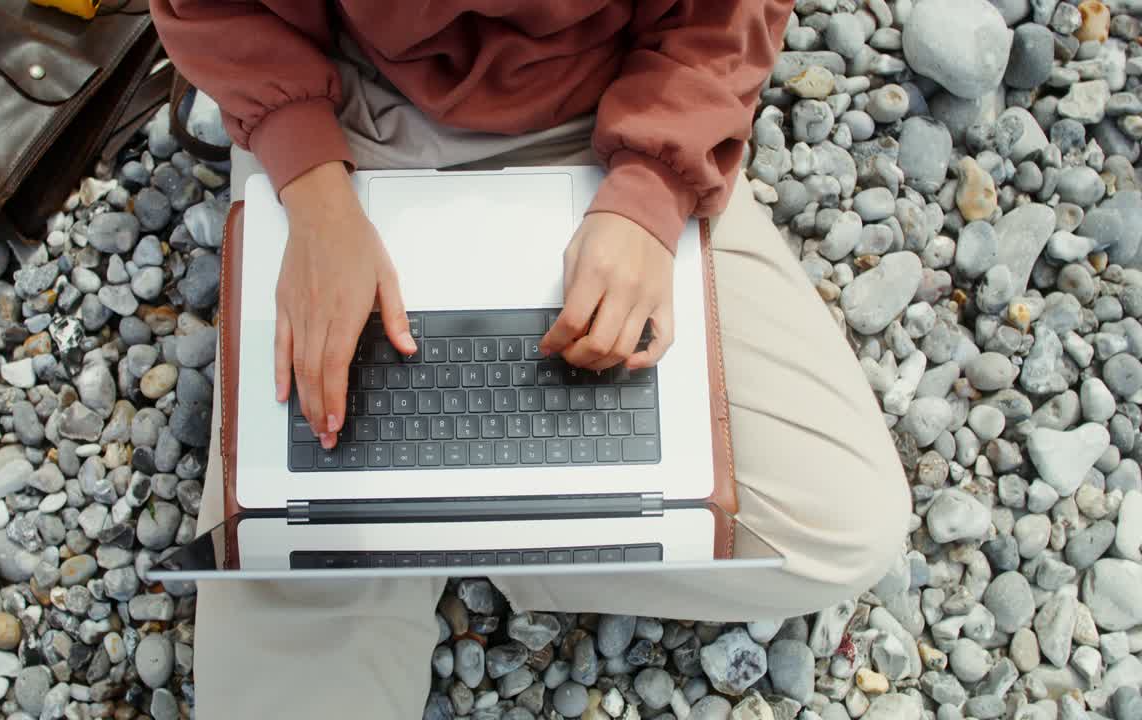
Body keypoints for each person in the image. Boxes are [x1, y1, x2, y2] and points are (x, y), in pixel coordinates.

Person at [151, 2, 912, 715]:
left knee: (840, 529)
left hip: (613, 107)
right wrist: (312, 192)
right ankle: (462, 528)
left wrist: (650, 192)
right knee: (278, 624)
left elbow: (726, 13)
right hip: (345, 108)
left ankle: (455, 540)